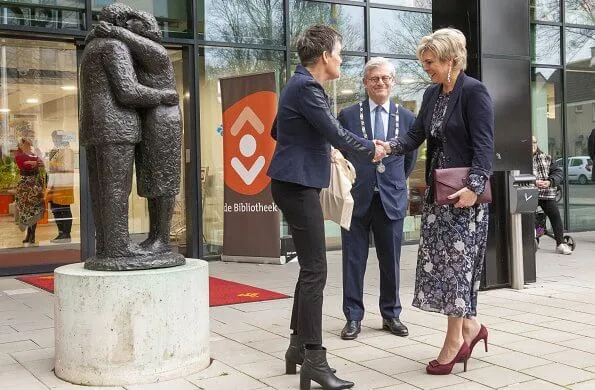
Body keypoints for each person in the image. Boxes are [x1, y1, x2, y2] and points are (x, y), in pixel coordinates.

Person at [267, 24, 385, 390]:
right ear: (324, 57)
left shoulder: (297, 84)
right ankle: (315, 360)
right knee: (316, 270)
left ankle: (296, 348)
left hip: (293, 183)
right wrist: (372, 147)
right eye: (340, 53)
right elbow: (336, 131)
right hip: (297, 186)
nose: (341, 59)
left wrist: (314, 145)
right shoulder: (307, 87)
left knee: (309, 269)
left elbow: (277, 131)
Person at [377, 28, 494, 375]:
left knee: (457, 271)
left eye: (430, 62)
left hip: (464, 200)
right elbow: (416, 135)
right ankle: (471, 328)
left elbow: (485, 146)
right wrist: (389, 146)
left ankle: (455, 341)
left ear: (451, 59)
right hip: (437, 197)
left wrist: (474, 187)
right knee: (444, 269)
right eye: (424, 62)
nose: (426, 68)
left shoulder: (474, 93)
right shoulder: (432, 94)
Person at [79, 3, 178, 260]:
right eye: (129, 24)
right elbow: (128, 91)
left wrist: (106, 32)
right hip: (118, 125)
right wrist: (164, 95)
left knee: (113, 188)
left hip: (144, 122)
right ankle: (117, 246)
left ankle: (111, 245)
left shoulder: (94, 47)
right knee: (116, 189)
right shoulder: (114, 46)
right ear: (123, 22)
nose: (132, 29)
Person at [337, 57, 417, 340]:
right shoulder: (347, 115)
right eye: (374, 79)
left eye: (385, 78)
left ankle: (391, 314)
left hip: (390, 199)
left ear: (393, 82)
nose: (380, 83)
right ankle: (353, 318)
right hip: (357, 199)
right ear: (365, 83)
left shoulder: (407, 118)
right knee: (353, 260)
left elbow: (410, 159)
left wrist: (391, 182)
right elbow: (340, 155)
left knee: (391, 261)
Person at [532, 136, 571, 255]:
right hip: (528, 194)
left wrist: (550, 181)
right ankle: (535, 238)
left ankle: (560, 243)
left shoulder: (547, 158)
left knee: (555, 216)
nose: (532, 145)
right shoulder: (520, 159)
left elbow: (558, 173)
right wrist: (534, 182)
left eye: (534, 142)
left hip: (546, 193)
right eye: (529, 142)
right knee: (530, 218)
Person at [14, 138, 45, 245]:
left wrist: (34, 162)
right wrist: (33, 162)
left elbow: (41, 163)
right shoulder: (18, 155)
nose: (25, 146)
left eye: (27, 144)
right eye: (23, 145)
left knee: (34, 210)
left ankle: (32, 235)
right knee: (25, 210)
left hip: (33, 185)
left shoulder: (35, 154)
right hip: (24, 186)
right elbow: (21, 165)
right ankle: (28, 234)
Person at [47, 130, 75, 243]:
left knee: (64, 209)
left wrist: (50, 164)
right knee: (55, 210)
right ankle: (60, 233)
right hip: (54, 184)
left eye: (56, 138)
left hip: (64, 184)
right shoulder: (55, 151)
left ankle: (66, 234)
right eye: (53, 138)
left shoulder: (68, 151)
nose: (54, 141)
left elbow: (65, 167)